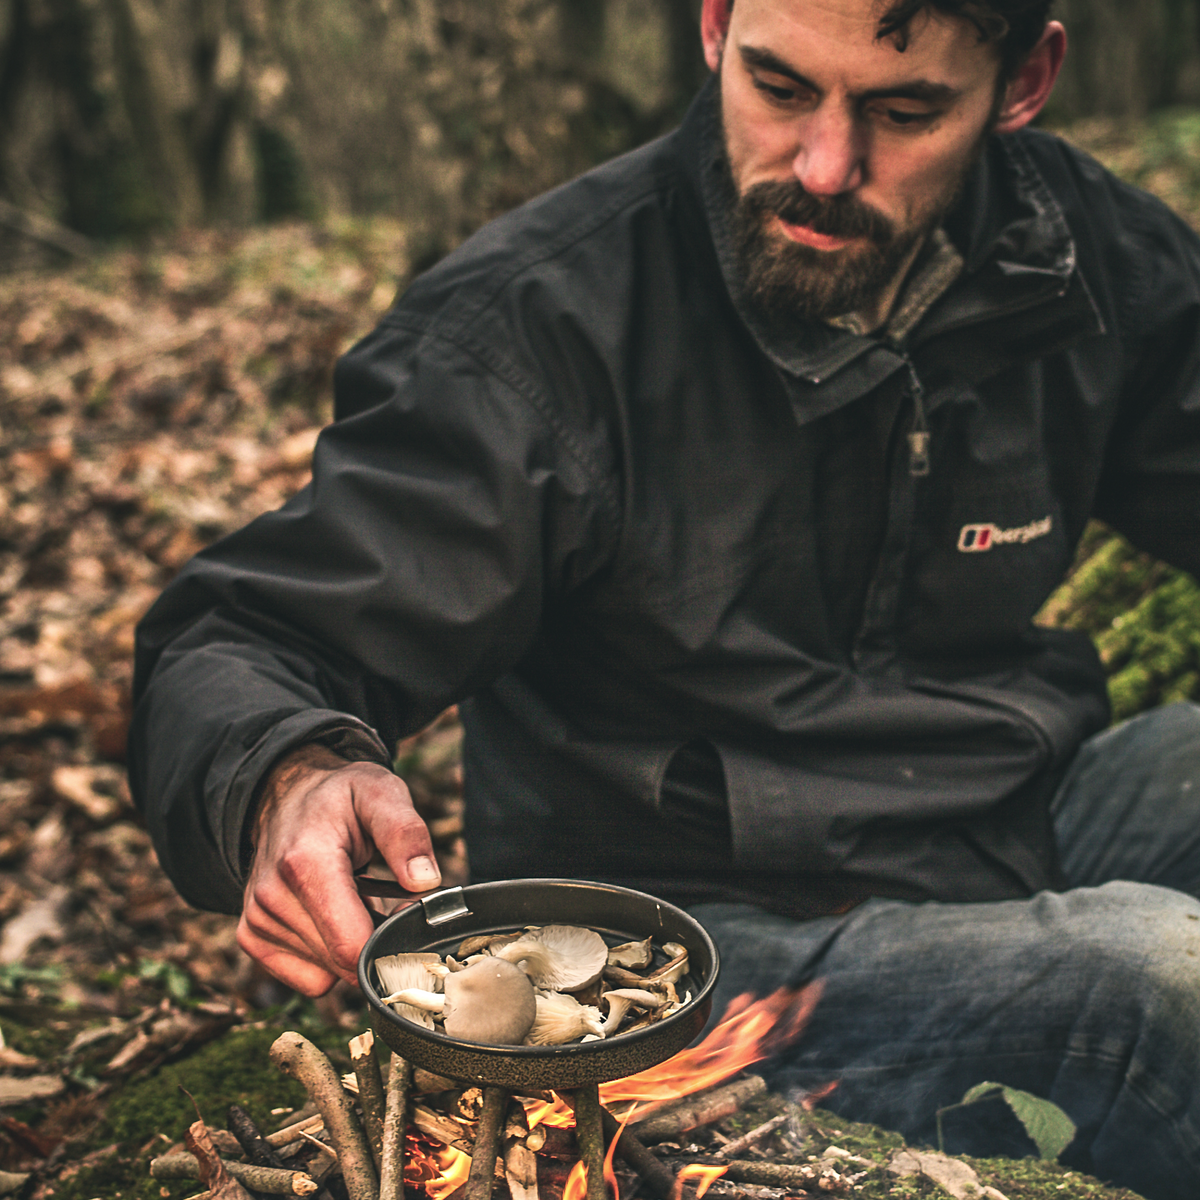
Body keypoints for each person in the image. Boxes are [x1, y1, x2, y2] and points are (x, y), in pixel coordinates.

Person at [129, 0, 1200, 1194]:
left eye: (904, 112)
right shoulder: (544, 325)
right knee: (1159, 983)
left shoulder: (1079, 255)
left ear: (1025, 80)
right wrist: (288, 774)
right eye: (780, 87)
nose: (826, 167)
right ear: (713, 23)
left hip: (1012, 808)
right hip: (690, 943)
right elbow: (245, 633)